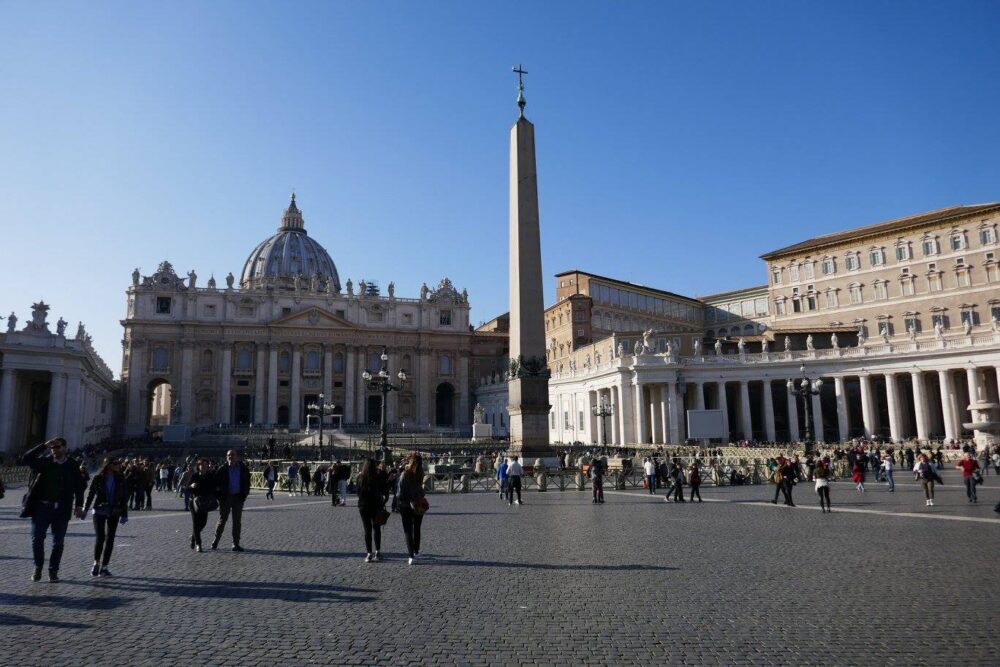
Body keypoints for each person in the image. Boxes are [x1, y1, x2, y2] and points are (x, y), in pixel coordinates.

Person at [20, 437, 86, 582]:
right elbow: (26, 458)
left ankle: (53, 570)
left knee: (58, 542)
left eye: (57, 447)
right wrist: (43, 445)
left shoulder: (72, 465)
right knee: (37, 538)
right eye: (52, 447)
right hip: (41, 507)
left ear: (65, 448)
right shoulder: (45, 462)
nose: (54, 450)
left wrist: (80, 505)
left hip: (62, 508)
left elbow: (79, 487)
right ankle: (38, 566)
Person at [83, 458, 129, 576]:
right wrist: (85, 509)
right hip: (99, 510)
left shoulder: (120, 478)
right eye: (116, 463)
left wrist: (124, 514)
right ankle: (96, 563)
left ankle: (104, 567)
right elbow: (91, 494)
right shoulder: (98, 478)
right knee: (100, 537)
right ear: (108, 465)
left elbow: (124, 497)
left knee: (110, 539)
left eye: (119, 463)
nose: (119, 465)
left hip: (114, 510)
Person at [212, 449, 251, 551]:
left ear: (236, 457)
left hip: (238, 498)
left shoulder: (243, 468)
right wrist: (219, 496)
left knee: (237, 522)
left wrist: (244, 495)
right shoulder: (222, 469)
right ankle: (216, 540)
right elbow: (215, 483)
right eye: (229, 455)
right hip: (225, 498)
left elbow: (247, 482)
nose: (231, 457)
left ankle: (235, 543)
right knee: (222, 520)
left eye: (233, 455)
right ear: (226, 457)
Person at [397, 453, 427, 564]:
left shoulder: (405, 474)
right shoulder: (420, 473)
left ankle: (411, 556)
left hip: (406, 505)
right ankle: (416, 551)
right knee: (417, 528)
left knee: (408, 531)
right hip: (418, 504)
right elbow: (421, 491)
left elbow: (400, 492)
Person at [356, 459, 388, 562]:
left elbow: (358, 492)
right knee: (376, 528)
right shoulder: (378, 476)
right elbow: (384, 489)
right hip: (376, 505)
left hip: (363, 506)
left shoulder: (360, 477)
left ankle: (369, 553)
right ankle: (377, 552)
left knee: (367, 530)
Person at [187, 458, 214, 552]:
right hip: (194, 502)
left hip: (204, 502)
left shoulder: (210, 476)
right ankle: (198, 544)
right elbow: (187, 488)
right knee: (196, 522)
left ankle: (193, 537)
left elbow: (213, 488)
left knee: (203, 523)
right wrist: (191, 486)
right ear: (198, 466)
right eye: (202, 465)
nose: (204, 466)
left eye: (206, 465)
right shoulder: (194, 475)